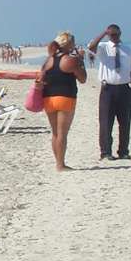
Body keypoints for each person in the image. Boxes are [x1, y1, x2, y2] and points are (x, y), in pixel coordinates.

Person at [36, 31, 87, 170]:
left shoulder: (48, 60)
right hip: (66, 98)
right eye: (73, 42)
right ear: (69, 44)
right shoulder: (70, 60)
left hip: (48, 99)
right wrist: (81, 60)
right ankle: (60, 165)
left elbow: (41, 78)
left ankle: (58, 162)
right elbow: (83, 79)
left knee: (55, 133)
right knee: (62, 134)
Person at [88, 23, 131, 161]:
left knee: (125, 122)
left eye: (116, 34)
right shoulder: (103, 47)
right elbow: (91, 47)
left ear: (120, 34)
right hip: (108, 89)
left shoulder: (127, 50)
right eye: (112, 34)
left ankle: (123, 151)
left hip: (124, 88)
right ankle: (105, 152)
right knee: (106, 122)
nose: (114, 36)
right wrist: (104, 33)